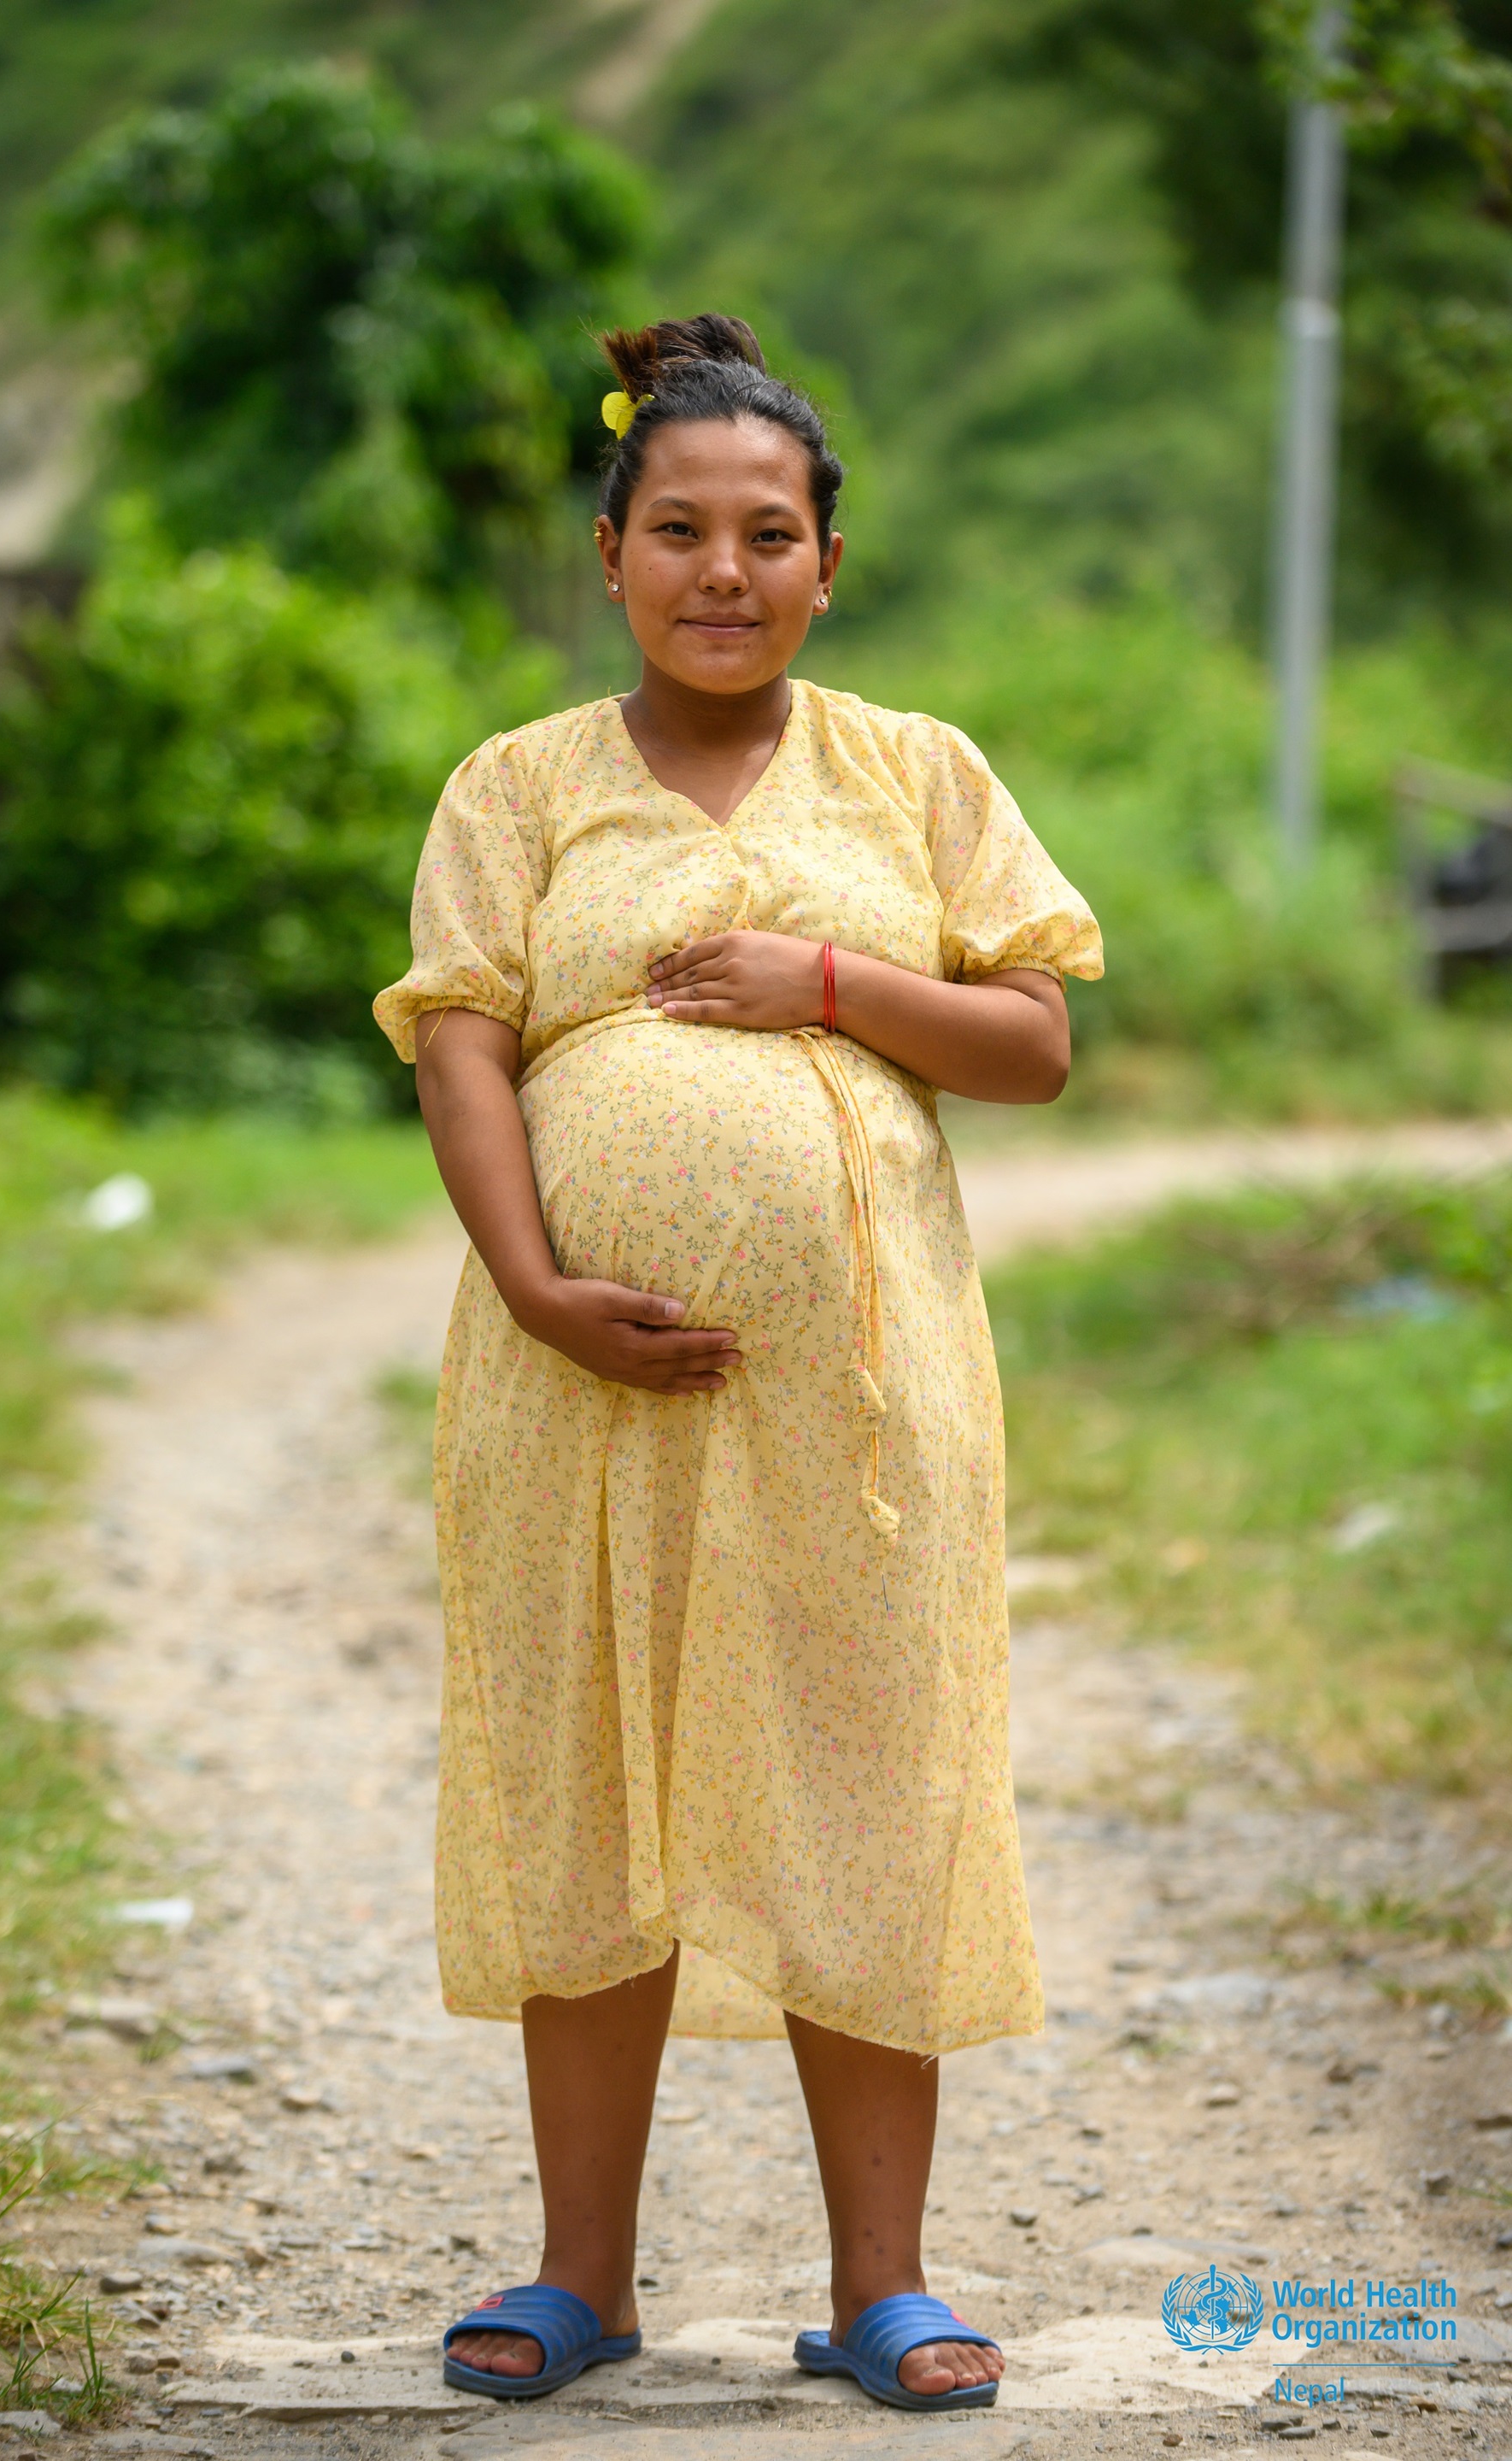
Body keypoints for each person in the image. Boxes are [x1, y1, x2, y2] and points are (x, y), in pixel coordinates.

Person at [372, 313, 1103, 2415]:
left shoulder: (917, 771)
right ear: (610, 554)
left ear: (827, 566)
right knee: (591, 1785)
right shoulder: (517, 787)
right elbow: (463, 1045)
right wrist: (534, 1283)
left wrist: (832, 982)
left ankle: (885, 2286)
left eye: (767, 534)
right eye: (678, 529)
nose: (723, 570)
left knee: (868, 1780)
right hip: (573, 1390)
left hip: (863, 1411)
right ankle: (577, 2277)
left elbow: (1034, 1044)